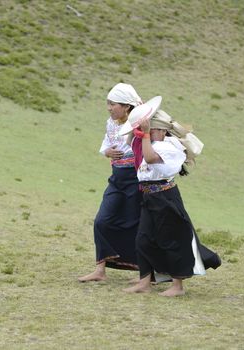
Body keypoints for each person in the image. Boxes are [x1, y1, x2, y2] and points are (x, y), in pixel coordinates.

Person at [123, 108, 220, 296]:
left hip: (165, 197)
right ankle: (144, 282)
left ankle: (178, 286)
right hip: (149, 197)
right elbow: (134, 147)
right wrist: (139, 130)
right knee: (143, 238)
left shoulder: (170, 146)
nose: (148, 133)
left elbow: (150, 158)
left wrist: (144, 135)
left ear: (161, 131)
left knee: (172, 240)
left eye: (152, 130)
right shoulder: (150, 142)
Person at [78, 83, 143, 282]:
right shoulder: (111, 123)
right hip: (117, 179)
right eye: (108, 103)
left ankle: (146, 273)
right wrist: (107, 152)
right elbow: (106, 143)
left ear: (126, 107)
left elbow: (146, 148)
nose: (109, 108)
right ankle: (100, 270)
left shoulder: (140, 124)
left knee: (138, 225)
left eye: (113, 104)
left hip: (136, 180)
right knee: (102, 220)